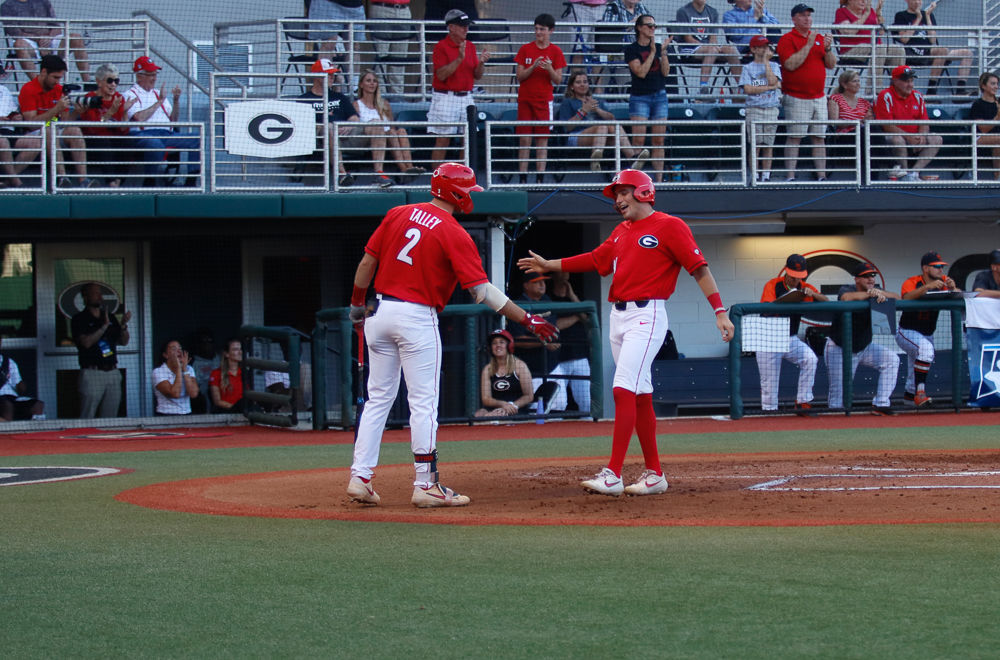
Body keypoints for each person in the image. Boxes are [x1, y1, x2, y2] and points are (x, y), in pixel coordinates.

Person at [346, 162, 558, 508]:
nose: (471, 196)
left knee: (378, 399)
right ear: (456, 192)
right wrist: (526, 318)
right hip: (416, 316)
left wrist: (357, 305)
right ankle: (426, 484)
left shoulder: (398, 212)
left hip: (380, 312)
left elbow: (367, 263)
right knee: (423, 403)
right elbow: (482, 292)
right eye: (468, 190)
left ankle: (360, 477)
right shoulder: (453, 231)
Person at [517, 168, 734, 497]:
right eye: (616, 194)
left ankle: (613, 474)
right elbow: (596, 258)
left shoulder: (670, 226)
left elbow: (699, 269)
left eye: (623, 192)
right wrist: (551, 265)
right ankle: (655, 474)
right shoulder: (621, 231)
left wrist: (719, 311)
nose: (618, 199)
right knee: (641, 393)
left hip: (647, 315)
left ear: (644, 192)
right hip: (619, 317)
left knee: (622, 388)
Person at [825, 261, 900, 415]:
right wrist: (869, 294)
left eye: (872, 276)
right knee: (838, 397)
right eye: (866, 276)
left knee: (892, 360)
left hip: (864, 347)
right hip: (839, 348)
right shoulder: (847, 289)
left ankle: (881, 404)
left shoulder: (877, 290)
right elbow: (846, 298)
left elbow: (897, 297)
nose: (871, 279)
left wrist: (880, 294)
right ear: (857, 279)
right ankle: (834, 425)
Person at [756, 254, 827, 415]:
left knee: (810, 359)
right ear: (786, 272)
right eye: (793, 276)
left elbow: (826, 301)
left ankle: (803, 402)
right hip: (769, 337)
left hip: (790, 337)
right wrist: (788, 299)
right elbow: (767, 309)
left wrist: (811, 294)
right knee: (769, 384)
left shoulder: (805, 286)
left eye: (799, 277)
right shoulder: (773, 285)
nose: (796, 280)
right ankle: (769, 413)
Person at [777, 4, 835, 182]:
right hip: (796, 97)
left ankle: (821, 176)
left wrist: (828, 49)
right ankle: (790, 176)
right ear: (794, 19)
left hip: (818, 96)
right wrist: (809, 45)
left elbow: (831, 64)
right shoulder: (786, 39)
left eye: (809, 15)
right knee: (795, 137)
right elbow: (790, 64)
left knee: (819, 137)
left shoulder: (818, 38)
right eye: (803, 16)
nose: (807, 19)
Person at [123, 56, 200, 187]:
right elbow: (139, 118)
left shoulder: (158, 93)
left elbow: (173, 120)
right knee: (155, 143)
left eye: (155, 74)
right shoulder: (130, 94)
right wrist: (159, 102)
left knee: (197, 138)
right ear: (139, 76)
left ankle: (191, 181)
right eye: (150, 75)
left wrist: (176, 101)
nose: (154, 78)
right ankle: (150, 181)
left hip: (166, 133)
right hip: (143, 135)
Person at [895, 251, 959, 408]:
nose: (940, 270)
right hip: (907, 330)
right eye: (936, 266)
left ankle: (909, 400)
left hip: (927, 332)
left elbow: (959, 295)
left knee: (915, 367)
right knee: (926, 350)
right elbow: (906, 297)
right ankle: (920, 393)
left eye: (941, 267)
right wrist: (927, 287)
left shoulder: (943, 281)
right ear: (925, 268)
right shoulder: (913, 281)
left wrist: (953, 287)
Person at [428, 10, 490, 166]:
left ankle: (462, 176)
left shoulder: (470, 46)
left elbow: (477, 75)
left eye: (467, 26)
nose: (466, 29)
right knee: (443, 139)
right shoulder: (441, 47)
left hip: (466, 97)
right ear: (451, 27)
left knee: (467, 138)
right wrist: (459, 59)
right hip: (445, 96)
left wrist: (481, 63)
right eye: (462, 26)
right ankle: (437, 178)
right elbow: (441, 75)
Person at [556, 69, 649, 172]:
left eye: (585, 82)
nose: (582, 85)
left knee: (614, 127)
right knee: (602, 126)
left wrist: (597, 109)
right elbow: (566, 127)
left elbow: (612, 119)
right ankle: (595, 159)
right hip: (576, 136)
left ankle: (632, 159)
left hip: (600, 136)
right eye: (578, 82)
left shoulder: (596, 100)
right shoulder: (568, 102)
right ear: (572, 86)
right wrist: (583, 111)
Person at [18, 53, 89, 188]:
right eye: (55, 77)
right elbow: (31, 124)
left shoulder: (58, 89)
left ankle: (83, 180)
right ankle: (62, 178)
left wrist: (77, 112)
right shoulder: (28, 89)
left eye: (60, 78)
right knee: (49, 130)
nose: (57, 81)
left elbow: (64, 121)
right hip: (33, 134)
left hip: (54, 129)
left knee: (75, 130)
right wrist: (56, 109)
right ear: (44, 72)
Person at [514, 13, 566, 184]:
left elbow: (558, 80)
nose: (538, 32)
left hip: (544, 101)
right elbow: (519, 76)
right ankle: (522, 178)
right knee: (524, 140)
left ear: (551, 31)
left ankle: (540, 179)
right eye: (536, 29)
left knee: (542, 139)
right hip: (525, 100)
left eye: (542, 29)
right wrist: (533, 66)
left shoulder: (556, 51)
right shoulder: (525, 49)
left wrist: (549, 68)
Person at [353, 69, 425, 189]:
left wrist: (391, 131)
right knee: (391, 132)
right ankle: (404, 169)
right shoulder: (357, 104)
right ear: (361, 84)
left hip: (389, 136)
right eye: (368, 81)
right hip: (371, 137)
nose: (372, 83)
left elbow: (391, 125)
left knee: (400, 130)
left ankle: (410, 167)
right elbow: (358, 127)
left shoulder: (384, 104)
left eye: (375, 81)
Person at [71, 282, 130, 418]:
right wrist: (104, 327)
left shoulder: (109, 316)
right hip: (92, 373)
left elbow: (124, 341)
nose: (100, 296)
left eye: (100, 293)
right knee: (88, 414)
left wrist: (123, 326)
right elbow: (86, 342)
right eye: (95, 293)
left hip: (112, 371)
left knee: (110, 415)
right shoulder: (79, 319)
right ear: (86, 297)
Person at [297, 58, 360, 187]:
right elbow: (302, 125)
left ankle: (380, 174)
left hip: (345, 134)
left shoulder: (339, 97)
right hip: (320, 136)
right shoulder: (304, 100)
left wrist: (349, 125)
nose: (332, 77)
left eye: (333, 75)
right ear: (317, 76)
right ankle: (342, 173)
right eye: (328, 74)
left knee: (376, 126)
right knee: (330, 128)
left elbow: (354, 117)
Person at [873, 64, 941, 181]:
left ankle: (914, 173)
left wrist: (921, 135)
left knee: (936, 139)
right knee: (897, 139)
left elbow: (924, 121)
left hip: (915, 136)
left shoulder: (918, 96)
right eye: (906, 81)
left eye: (911, 81)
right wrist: (909, 137)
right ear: (894, 81)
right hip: (892, 137)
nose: (910, 85)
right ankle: (903, 174)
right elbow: (887, 125)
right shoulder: (885, 95)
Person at [892, 0, 972, 97]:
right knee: (942, 51)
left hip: (929, 52)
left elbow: (932, 40)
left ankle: (960, 90)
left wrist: (928, 16)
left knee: (967, 53)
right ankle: (931, 92)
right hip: (912, 53)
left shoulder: (927, 15)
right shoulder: (901, 15)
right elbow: (904, 39)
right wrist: (918, 19)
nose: (917, 2)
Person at [625, 15, 669, 183]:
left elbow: (665, 72)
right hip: (640, 97)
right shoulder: (631, 49)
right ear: (639, 28)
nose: (652, 29)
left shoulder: (658, 47)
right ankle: (636, 181)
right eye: (649, 25)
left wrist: (663, 52)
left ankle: (659, 180)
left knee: (659, 140)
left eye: (654, 26)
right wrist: (652, 52)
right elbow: (641, 72)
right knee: (639, 140)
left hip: (659, 95)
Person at [1, 0, 91, 83]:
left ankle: (87, 83)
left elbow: (56, 26)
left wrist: (48, 38)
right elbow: (15, 33)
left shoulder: (43, 1)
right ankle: (39, 84)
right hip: (29, 42)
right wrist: (40, 40)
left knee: (76, 38)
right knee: (19, 44)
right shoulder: (6, 6)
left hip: (50, 39)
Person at [78, 63, 135, 188]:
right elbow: (93, 128)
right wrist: (110, 113)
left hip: (113, 137)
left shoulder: (118, 98)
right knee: (104, 142)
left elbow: (122, 130)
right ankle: (111, 182)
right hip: (93, 138)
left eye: (116, 81)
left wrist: (124, 113)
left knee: (128, 143)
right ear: (99, 82)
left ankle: (118, 182)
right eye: (110, 81)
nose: (113, 84)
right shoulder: (90, 98)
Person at [833, 0, 904, 94]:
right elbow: (849, 31)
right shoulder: (841, 12)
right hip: (851, 50)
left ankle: (899, 89)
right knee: (878, 48)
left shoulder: (871, 11)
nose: (863, 1)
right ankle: (874, 91)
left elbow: (881, 32)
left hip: (875, 49)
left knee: (898, 50)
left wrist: (878, 13)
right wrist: (865, 15)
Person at [675, 0, 741, 98]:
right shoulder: (683, 11)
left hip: (709, 49)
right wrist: (707, 47)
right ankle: (703, 88)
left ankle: (742, 86)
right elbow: (688, 38)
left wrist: (712, 46)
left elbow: (713, 37)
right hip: (689, 49)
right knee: (712, 50)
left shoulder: (713, 12)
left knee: (730, 50)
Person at [546, 270, 591, 413]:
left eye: (566, 271)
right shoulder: (548, 298)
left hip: (579, 356)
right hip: (558, 358)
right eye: (560, 271)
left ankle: (589, 430)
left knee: (586, 401)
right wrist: (578, 316)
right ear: (552, 276)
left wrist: (572, 296)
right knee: (558, 402)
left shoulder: (575, 296)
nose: (565, 274)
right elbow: (555, 325)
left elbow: (588, 319)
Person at [740, 34, 782, 182]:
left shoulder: (775, 65)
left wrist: (766, 61)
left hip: (771, 109)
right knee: (755, 144)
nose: (765, 49)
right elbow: (748, 89)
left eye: (766, 46)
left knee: (768, 144)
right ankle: (755, 175)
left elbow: (773, 80)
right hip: (754, 109)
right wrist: (770, 87)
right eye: (761, 47)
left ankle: (766, 175)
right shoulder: (747, 68)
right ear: (753, 49)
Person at [473, 329, 537, 417]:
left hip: (516, 408)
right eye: (494, 343)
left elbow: (529, 396)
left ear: (509, 345)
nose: (498, 345)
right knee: (478, 415)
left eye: (502, 342)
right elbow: (486, 399)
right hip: (496, 407)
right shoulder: (487, 369)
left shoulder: (520, 366)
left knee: (495, 416)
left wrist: (511, 406)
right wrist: (503, 404)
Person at [367, 0, 411, 96]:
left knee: (400, 59)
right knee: (381, 57)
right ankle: (380, 96)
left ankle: (397, 95)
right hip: (382, 8)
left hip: (403, 9)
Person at [0, 85, 40, 189]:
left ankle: (8, 181)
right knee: (2, 142)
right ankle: (17, 182)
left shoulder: (4, 89)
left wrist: (17, 117)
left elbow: (13, 110)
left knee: (35, 143)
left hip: (8, 129)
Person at [0, 336, 44, 421]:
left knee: (38, 404)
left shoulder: (8, 362)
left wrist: (21, 386)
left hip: (12, 397)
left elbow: (18, 386)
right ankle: (8, 432)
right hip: (2, 399)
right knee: (7, 405)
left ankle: (37, 432)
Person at [153, 339, 199, 415]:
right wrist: (178, 369)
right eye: (174, 349)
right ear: (165, 355)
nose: (179, 351)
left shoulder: (189, 369)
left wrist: (184, 370)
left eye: (180, 348)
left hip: (186, 413)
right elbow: (175, 394)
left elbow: (193, 394)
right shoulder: (158, 371)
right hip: (166, 414)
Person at [970, 72, 1000, 181]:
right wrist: (997, 117)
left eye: (997, 84)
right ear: (983, 86)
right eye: (993, 84)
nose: (996, 87)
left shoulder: (999, 102)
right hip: (979, 137)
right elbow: (982, 129)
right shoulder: (978, 104)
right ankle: (998, 177)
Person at [828, 69, 873, 133]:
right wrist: (855, 122)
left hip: (863, 132)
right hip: (846, 135)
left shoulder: (865, 103)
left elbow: (869, 121)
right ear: (844, 85)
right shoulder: (835, 99)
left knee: (873, 129)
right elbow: (834, 122)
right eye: (854, 81)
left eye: (859, 81)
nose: (858, 84)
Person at [209, 339, 245, 414]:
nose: (240, 352)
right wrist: (235, 408)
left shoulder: (245, 373)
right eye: (235, 349)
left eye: (240, 349)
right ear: (226, 354)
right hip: (225, 413)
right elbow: (217, 401)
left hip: (243, 412)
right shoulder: (216, 373)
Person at [188, 327, 218, 414]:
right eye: (204, 342)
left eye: (210, 341)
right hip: (203, 393)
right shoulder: (194, 363)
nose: (207, 344)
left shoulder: (219, 358)